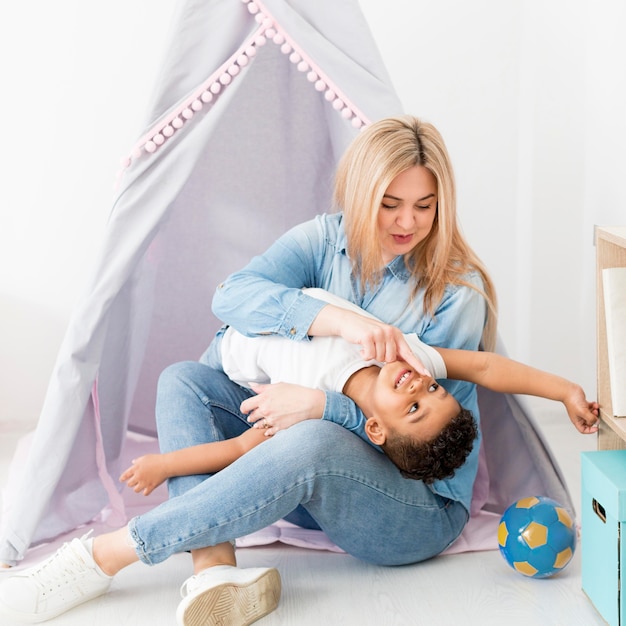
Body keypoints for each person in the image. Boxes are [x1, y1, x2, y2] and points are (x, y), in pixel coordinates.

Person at [0, 116, 599, 626]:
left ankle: (102, 559)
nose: (406, 223)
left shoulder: (453, 297)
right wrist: (333, 322)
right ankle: (214, 578)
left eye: (424, 205)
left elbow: (409, 438)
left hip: (412, 501)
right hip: (305, 476)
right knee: (182, 380)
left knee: (312, 439)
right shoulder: (323, 242)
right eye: (389, 203)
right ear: (360, 194)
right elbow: (232, 296)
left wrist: (320, 406)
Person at [119, 287, 598, 496]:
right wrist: (565, 390)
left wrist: (165, 465)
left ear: (374, 427)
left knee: (180, 384)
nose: (419, 384)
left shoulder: (310, 413)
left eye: (413, 407)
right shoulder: (406, 355)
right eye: (434, 389)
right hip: (275, 305)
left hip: (225, 354)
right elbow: (485, 366)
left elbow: (240, 447)